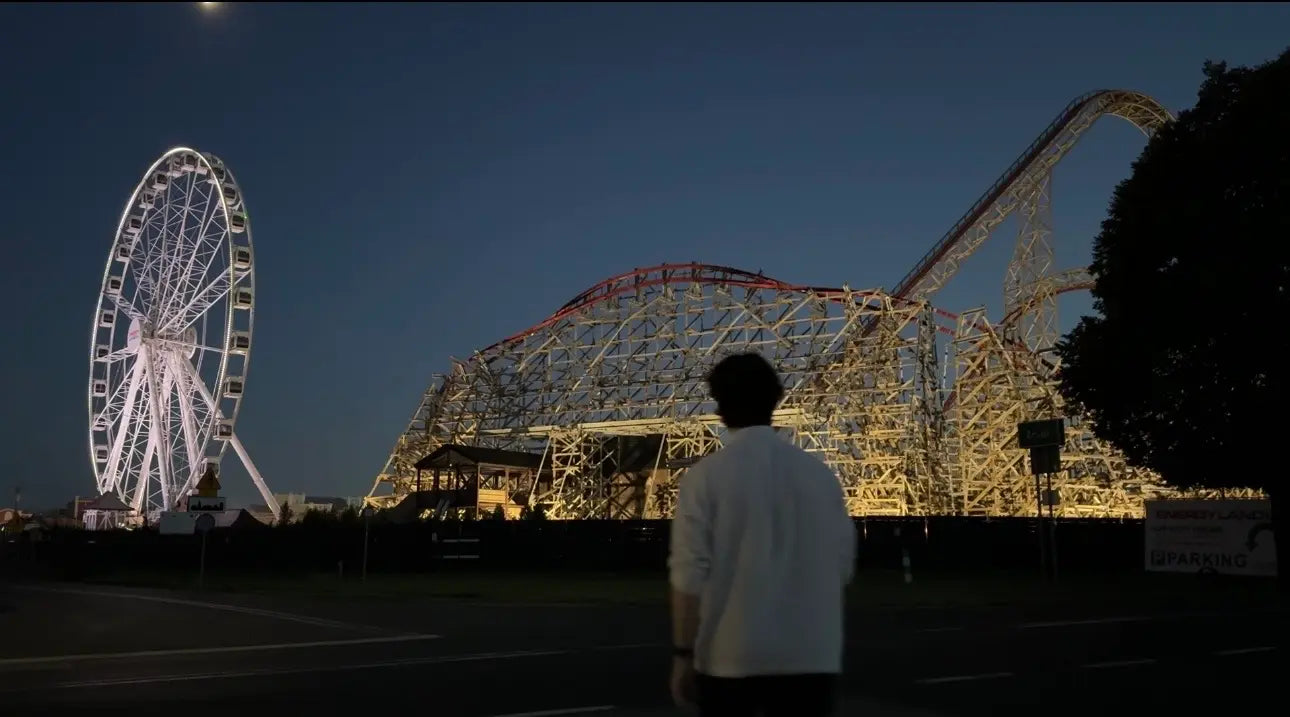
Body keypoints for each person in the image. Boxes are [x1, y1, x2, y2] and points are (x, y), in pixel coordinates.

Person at [668, 352, 857, 716]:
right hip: (812, 658)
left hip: (729, 658)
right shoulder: (822, 477)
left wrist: (682, 654)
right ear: (776, 400)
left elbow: (688, 579)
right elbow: (842, 568)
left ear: (719, 408)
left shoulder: (704, 477)